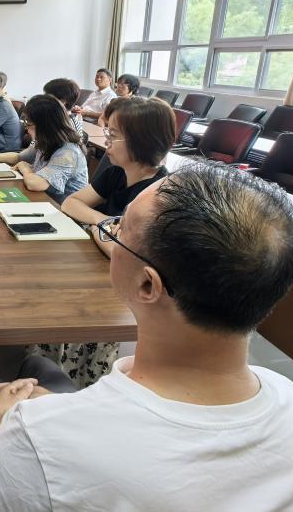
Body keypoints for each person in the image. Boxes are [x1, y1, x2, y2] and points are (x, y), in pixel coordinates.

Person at [0, 162, 293, 512]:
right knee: (39, 367)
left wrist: (1, 410)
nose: (110, 234)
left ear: (147, 285)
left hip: (31, 437)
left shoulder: (43, 436)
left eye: (118, 230)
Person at [54, 97, 175, 386]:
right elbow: (70, 203)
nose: (106, 139)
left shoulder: (158, 194)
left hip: (124, 293)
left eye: (114, 134)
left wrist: (100, 229)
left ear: (141, 141)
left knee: (81, 338)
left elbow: (122, 251)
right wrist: (104, 223)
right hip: (99, 270)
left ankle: (77, 387)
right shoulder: (116, 173)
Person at [0, 95, 87, 201]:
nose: (26, 129)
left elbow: (35, 184)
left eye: (29, 124)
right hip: (43, 199)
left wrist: (25, 168)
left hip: (62, 209)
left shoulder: (68, 152)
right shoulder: (47, 141)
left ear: (45, 126)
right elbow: (19, 157)